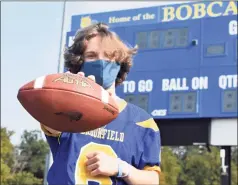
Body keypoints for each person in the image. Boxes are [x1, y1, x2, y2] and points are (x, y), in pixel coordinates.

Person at [41, 23, 161, 185]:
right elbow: (50, 122)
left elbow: (152, 180)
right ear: (79, 62)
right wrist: (73, 93)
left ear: (120, 63)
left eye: (108, 56)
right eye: (91, 55)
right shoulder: (66, 108)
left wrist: (120, 168)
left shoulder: (143, 122)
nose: (101, 62)